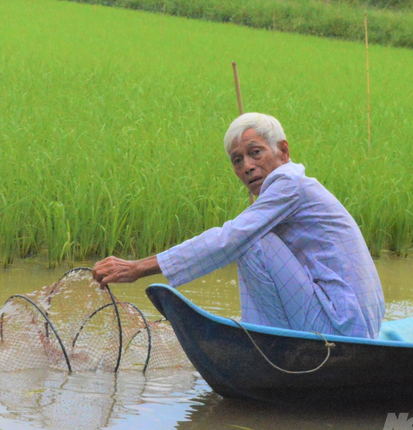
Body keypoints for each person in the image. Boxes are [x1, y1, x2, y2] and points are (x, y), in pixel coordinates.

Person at [93, 113, 384, 338]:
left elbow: (231, 238)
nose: (246, 166)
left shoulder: (288, 184)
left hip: (345, 326)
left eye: (255, 153)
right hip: (352, 320)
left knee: (250, 240)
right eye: (237, 160)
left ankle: (264, 339)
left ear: (283, 151)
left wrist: (138, 268)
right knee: (252, 235)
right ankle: (267, 334)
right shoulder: (286, 190)